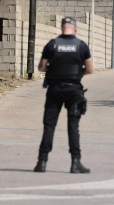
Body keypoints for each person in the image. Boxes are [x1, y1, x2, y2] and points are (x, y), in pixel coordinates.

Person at [34, 17, 94, 174]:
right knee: (73, 126)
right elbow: (89, 69)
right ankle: (75, 163)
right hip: (74, 91)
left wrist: (54, 69)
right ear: (75, 29)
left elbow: (41, 67)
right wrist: (76, 73)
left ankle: (42, 162)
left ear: (62, 28)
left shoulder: (52, 44)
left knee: (49, 126)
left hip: (54, 90)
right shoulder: (81, 46)